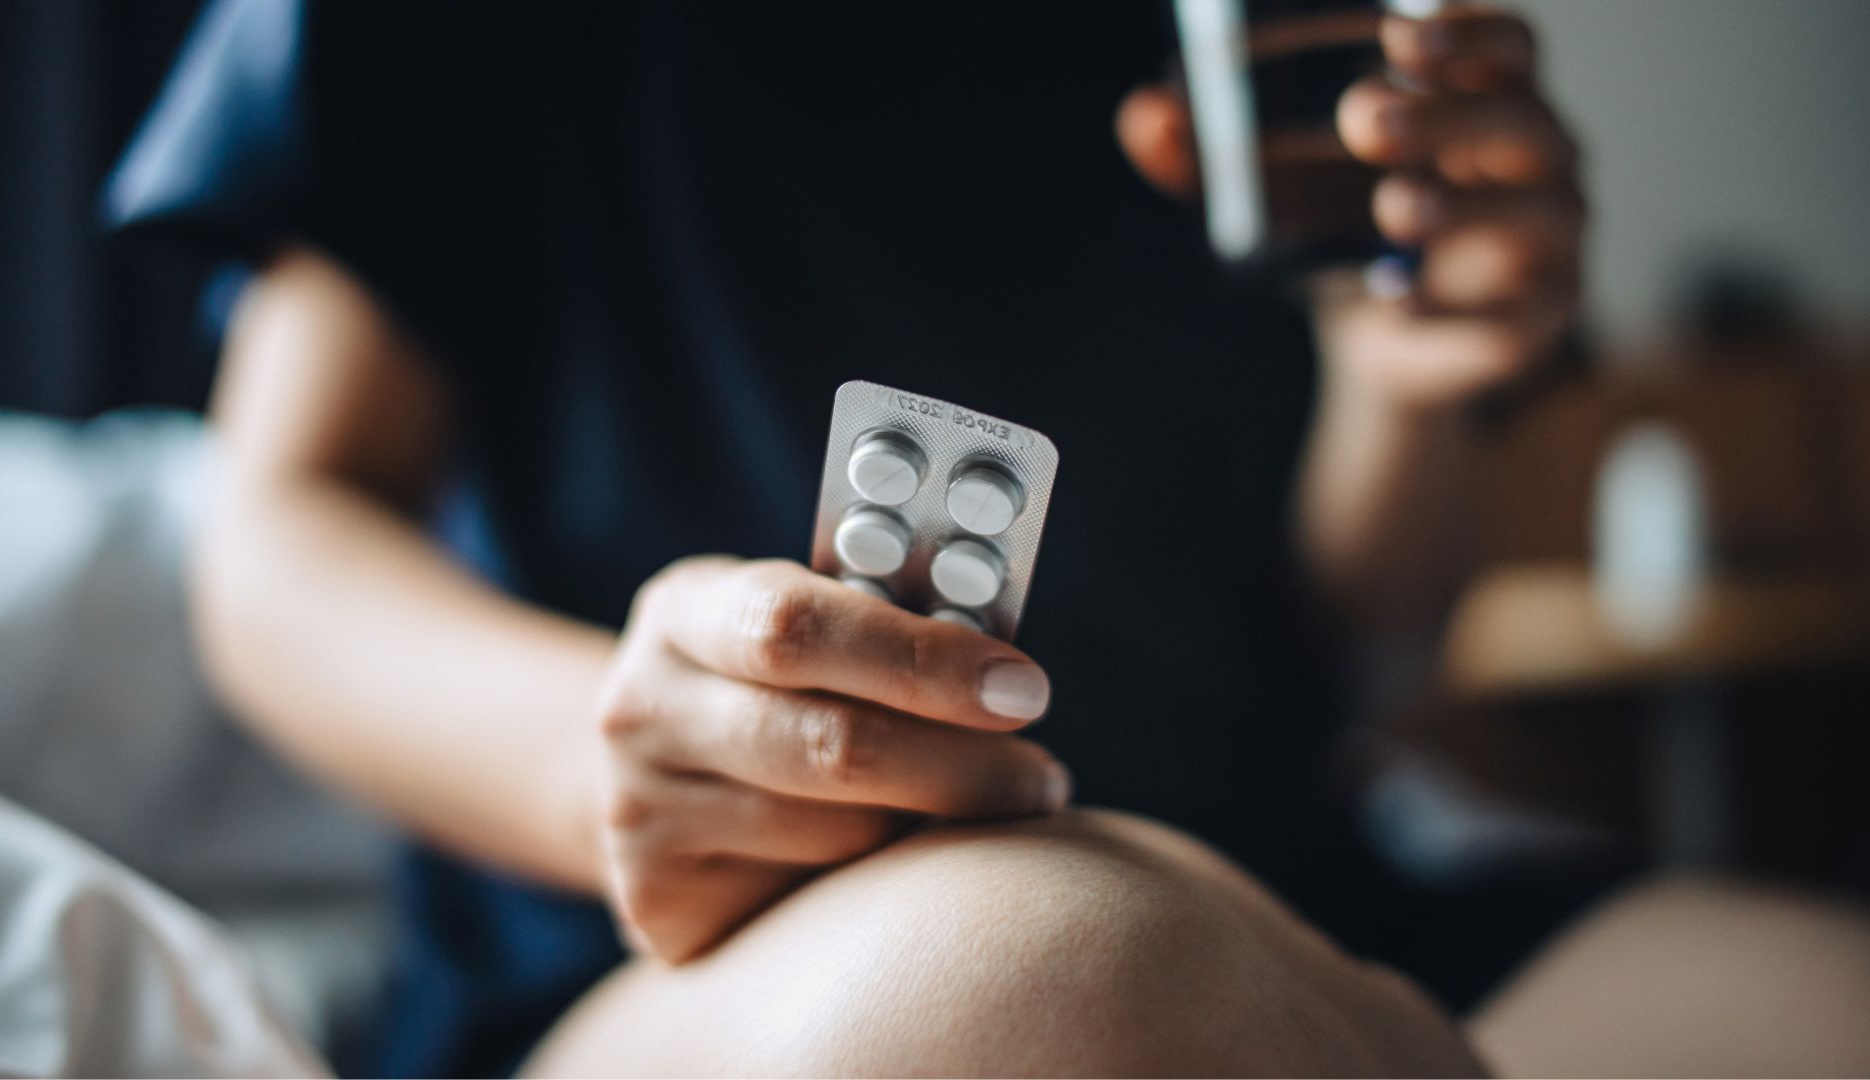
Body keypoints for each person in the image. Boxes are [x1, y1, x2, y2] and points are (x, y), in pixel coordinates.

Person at [108, 1, 1586, 1074]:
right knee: (1089, 973)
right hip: (676, 955)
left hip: (1305, 886)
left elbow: (1370, 635)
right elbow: (276, 540)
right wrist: (605, 759)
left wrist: (1400, 388)